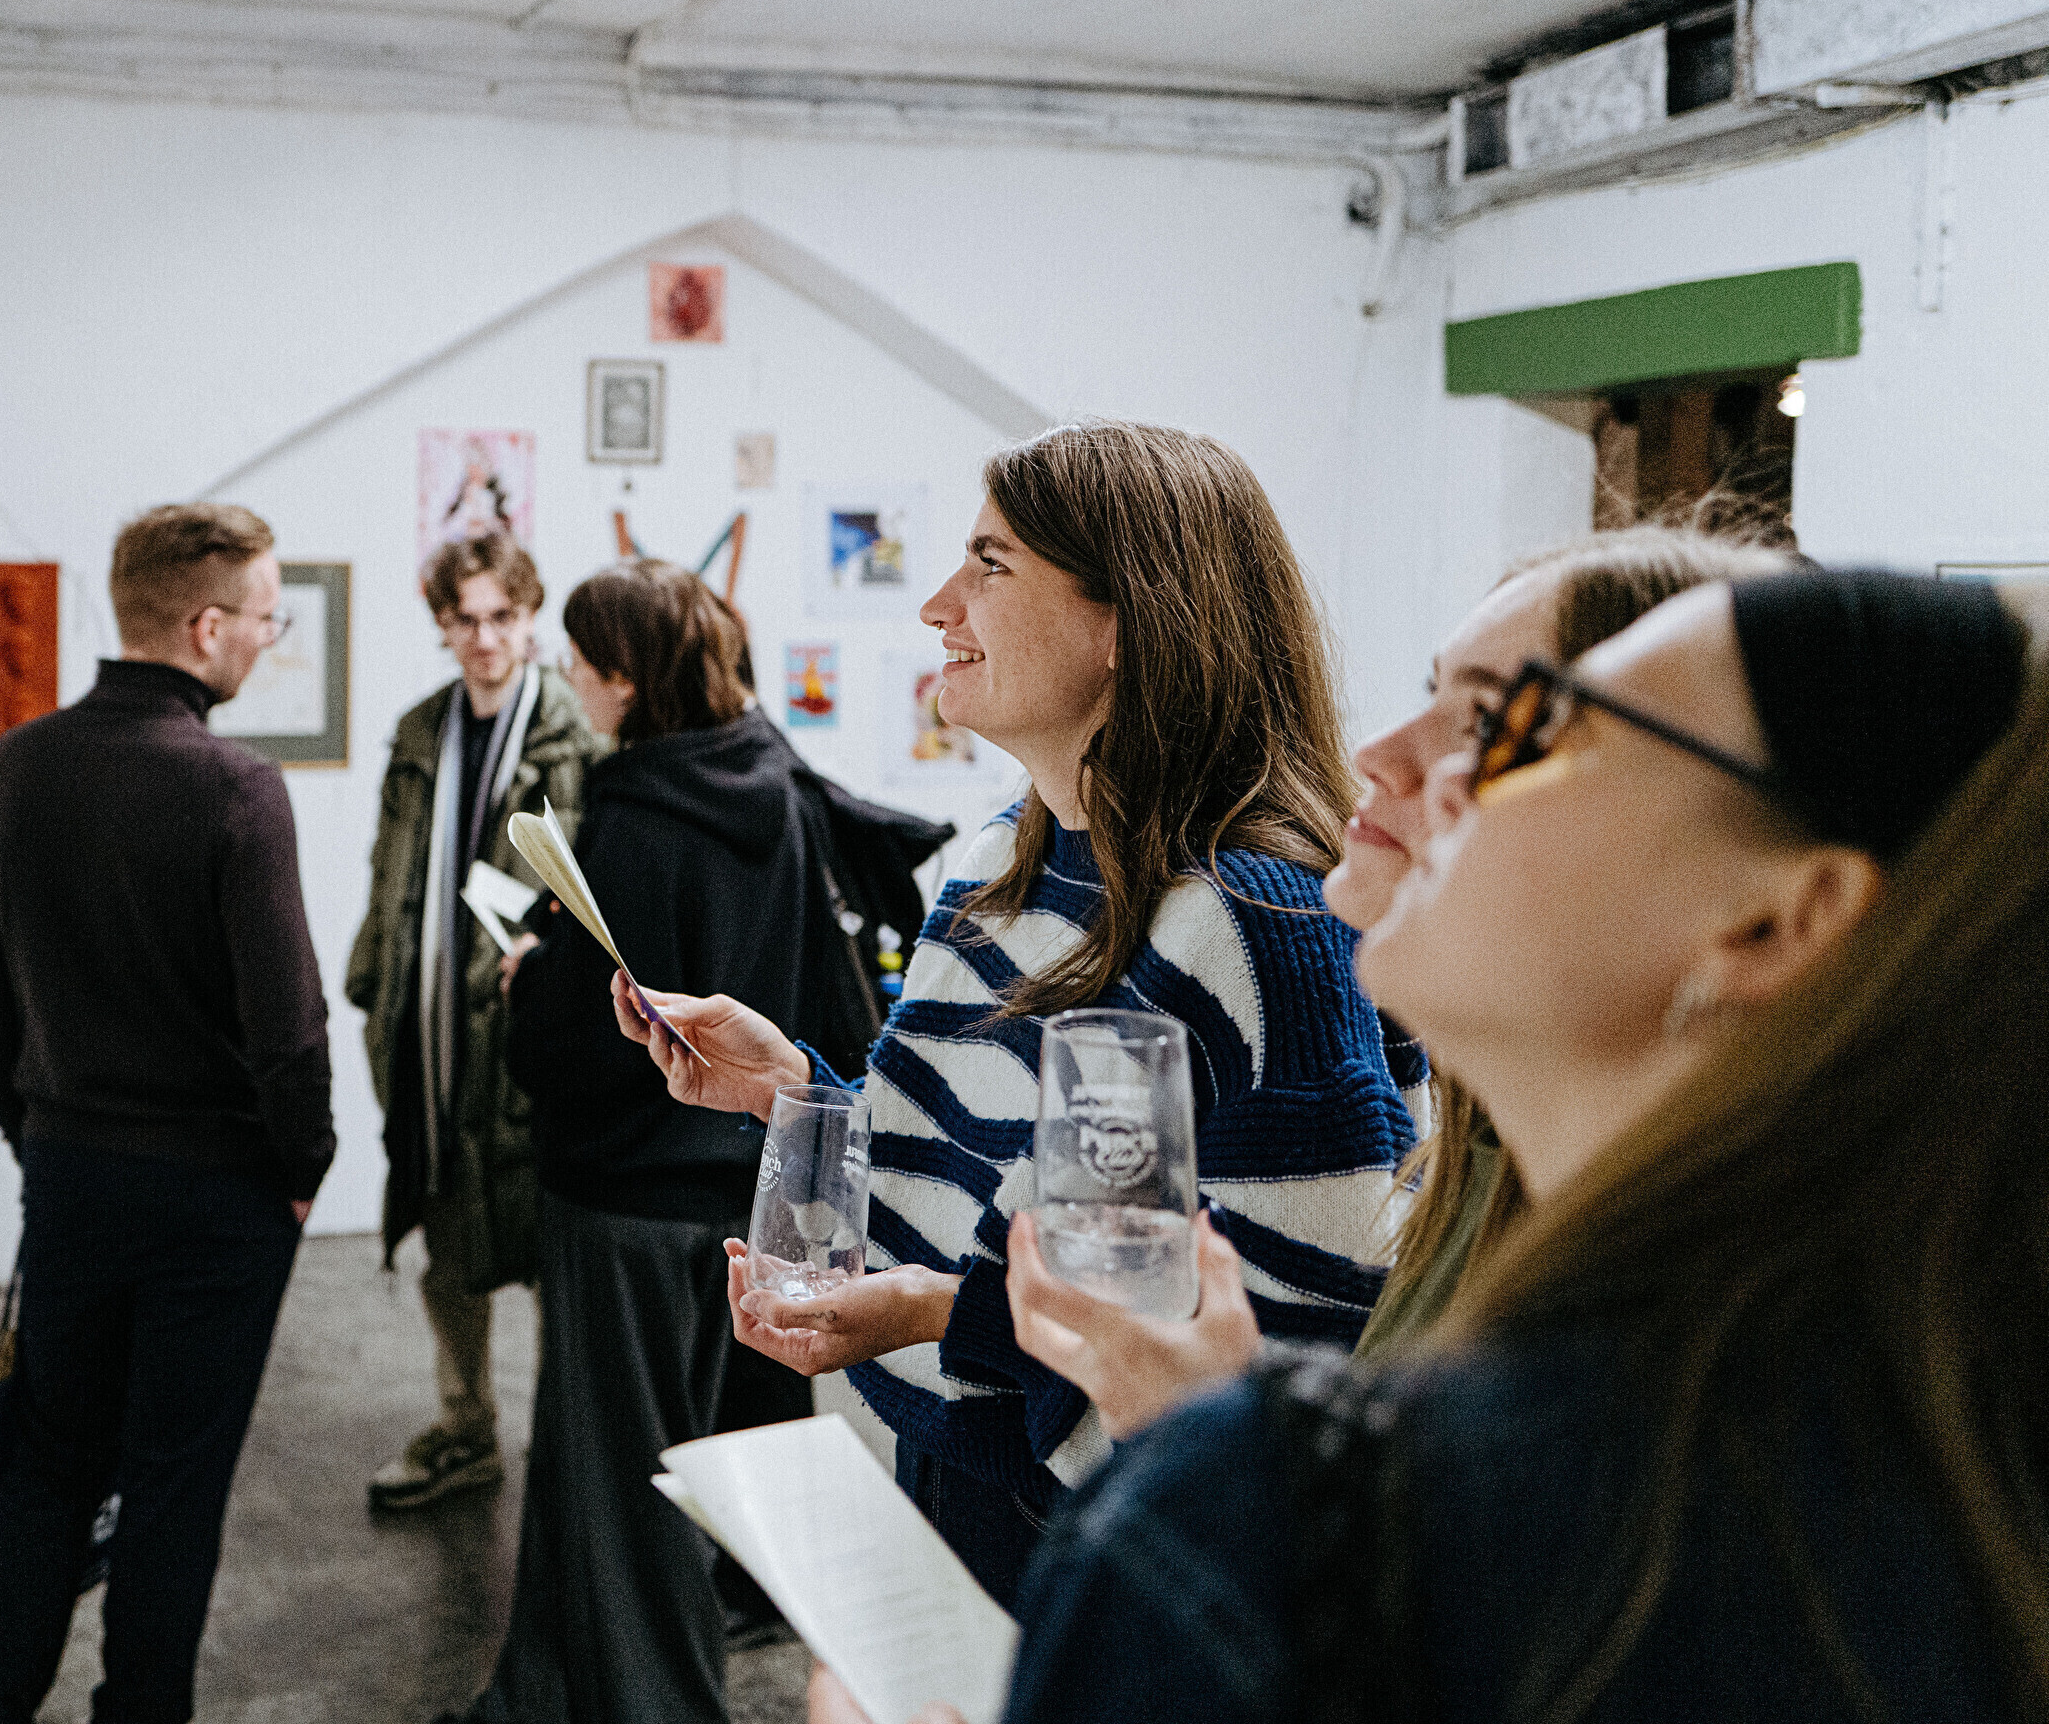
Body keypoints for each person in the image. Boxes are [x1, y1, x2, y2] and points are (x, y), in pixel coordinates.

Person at [996, 568, 2043, 1722]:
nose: (1434, 772)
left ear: (1777, 921)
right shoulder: (1942, 1483)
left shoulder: (1277, 1523)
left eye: (1534, 729)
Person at [619, 420, 1420, 1603]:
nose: (938, 605)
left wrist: (936, 1310)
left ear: (1127, 620)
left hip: (1131, 1532)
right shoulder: (1005, 857)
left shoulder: (1259, 917)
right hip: (973, 1473)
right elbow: (1004, 1168)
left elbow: (1308, 1320)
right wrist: (794, 1086)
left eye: (990, 565)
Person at [1002, 520, 1797, 1433]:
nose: (1377, 753)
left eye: (1495, 727)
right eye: (1433, 694)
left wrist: (1209, 1442)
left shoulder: (1708, 1328)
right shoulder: (1488, 1161)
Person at [0, 502, 336, 1724]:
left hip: (69, 1176)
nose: (267, 638)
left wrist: (42, 1141)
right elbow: (289, 1026)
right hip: (218, 1197)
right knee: (174, 1485)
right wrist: (304, 1165)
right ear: (206, 625)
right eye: (264, 617)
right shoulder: (235, 787)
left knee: (47, 1462)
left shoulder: (12, 766)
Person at [459, 559, 836, 1724]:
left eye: (580, 657)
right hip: (737, 1179)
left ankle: (658, 1706)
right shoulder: (777, 784)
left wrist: (530, 983)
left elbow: (584, 1042)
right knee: (622, 1465)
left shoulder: (633, 812)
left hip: (622, 1195)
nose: (567, 673)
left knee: (628, 1487)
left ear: (623, 676)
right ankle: (539, 1694)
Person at [344, 532, 604, 1511]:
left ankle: (574, 1445)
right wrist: (373, 979)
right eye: (465, 618)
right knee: (444, 1232)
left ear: (530, 617)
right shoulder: (422, 731)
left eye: (502, 616)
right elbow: (388, 871)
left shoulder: (574, 732)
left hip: (527, 1027)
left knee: (543, 1236)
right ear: (443, 625)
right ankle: (465, 1427)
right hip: (427, 1026)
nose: (485, 637)